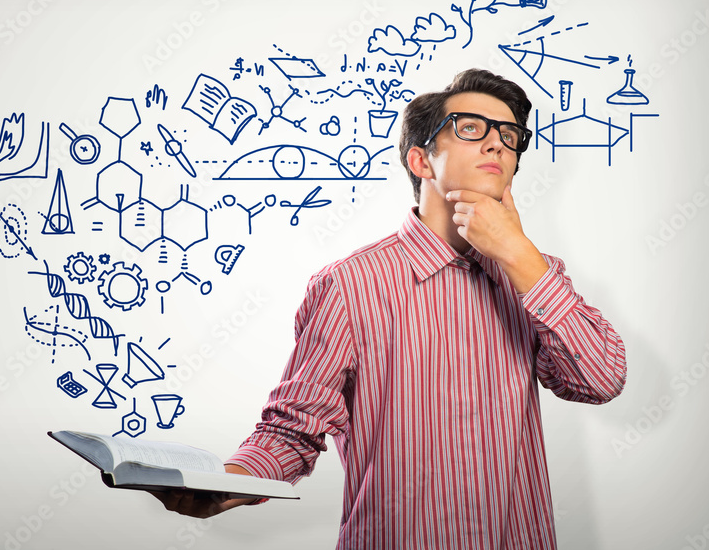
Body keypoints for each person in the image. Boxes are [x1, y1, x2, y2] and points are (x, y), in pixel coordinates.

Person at [153, 68, 627, 549]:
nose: (497, 144)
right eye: (471, 128)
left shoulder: (535, 276)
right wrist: (228, 481)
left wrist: (521, 256)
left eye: (509, 135)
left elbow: (601, 379)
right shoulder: (349, 284)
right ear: (421, 161)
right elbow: (295, 428)